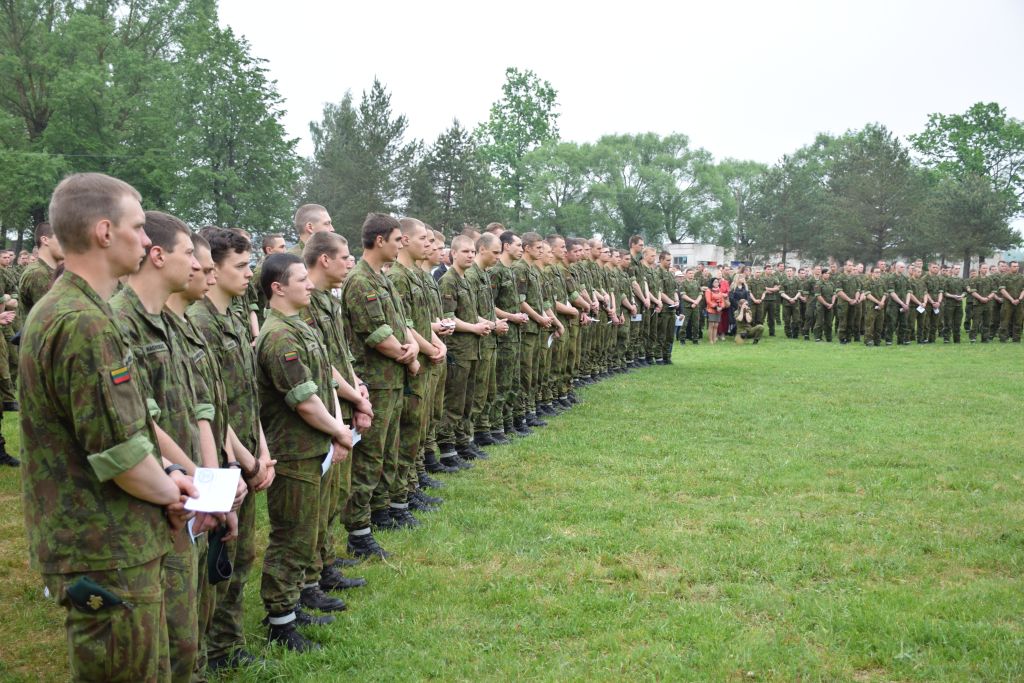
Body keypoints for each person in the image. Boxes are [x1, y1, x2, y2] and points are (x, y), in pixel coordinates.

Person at [20, 172, 197, 681]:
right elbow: (121, 456)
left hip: (111, 540)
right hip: (105, 544)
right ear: (104, 232)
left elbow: (126, 427)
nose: (144, 239)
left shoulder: (80, 310)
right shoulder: (83, 321)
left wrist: (169, 475)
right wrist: (177, 492)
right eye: (137, 227)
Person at [256, 252, 351, 652]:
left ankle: (295, 601)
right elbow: (304, 401)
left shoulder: (298, 327)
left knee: (307, 530)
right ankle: (280, 620)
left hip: (313, 445)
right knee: (292, 536)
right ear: (278, 288)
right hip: (294, 451)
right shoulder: (279, 337)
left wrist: (336, 429)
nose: (310, 284)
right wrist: (339, 431)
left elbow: (323, 382)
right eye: (301, 280)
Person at [340, 213, 416, 558]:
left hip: (392, 378)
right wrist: (408, 356)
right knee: (369, 457)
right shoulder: (360, 281)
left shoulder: (381, 278)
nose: (401, 245)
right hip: (376, 380)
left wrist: (411, 346)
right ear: (380, 240)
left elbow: (397, 324)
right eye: (398, 239)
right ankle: (358, 531)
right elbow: (376, 334)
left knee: (386, 451)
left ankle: (379, 511)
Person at [704, 277, 726, 344]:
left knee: (716, 325)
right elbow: (708, 301)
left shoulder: (720, 290)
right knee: (712, 325)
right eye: (715, 282)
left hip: (719, 310)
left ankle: (714, 339)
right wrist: (716, 306)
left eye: (717, 282)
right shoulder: (708, 290)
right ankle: (710, 340)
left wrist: (721, 307)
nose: (716, 283)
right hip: (711, 309)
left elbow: (722, 301)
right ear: (712, 283)